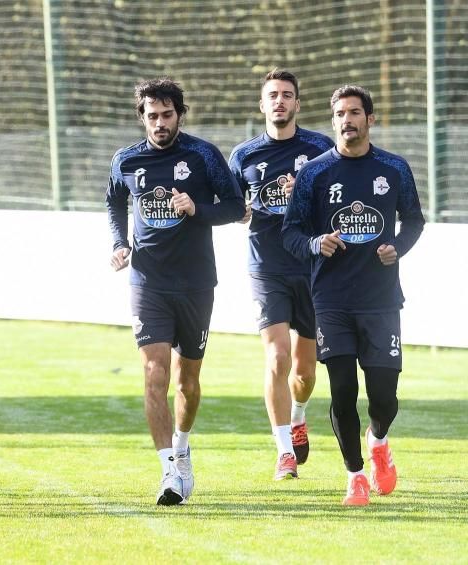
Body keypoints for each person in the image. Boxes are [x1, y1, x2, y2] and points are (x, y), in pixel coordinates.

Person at [283, 85, 424, 506]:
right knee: (342, 390)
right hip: (331, 299)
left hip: (381, 300)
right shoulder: (314, 173)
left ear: (370, 119)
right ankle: (355, 475)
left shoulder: (394, 168)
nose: (347, 120)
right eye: (340, 113)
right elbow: (291, 232)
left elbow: (414, 221)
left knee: (384, 397)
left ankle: (378, 440)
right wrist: (315, 244)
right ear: (333, 121)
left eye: (355, 112)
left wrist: (397, 246)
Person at [105, 78, 244, 506]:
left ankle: (183, 448)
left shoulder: (202, 155)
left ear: (179, 114)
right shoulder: (125, 160)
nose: (160, 123)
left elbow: (237, 207)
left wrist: (197, 209)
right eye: (152, 116)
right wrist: (118, 243)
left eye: (167, 115)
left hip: (197, 282)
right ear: (142, 117)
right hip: (148, 282)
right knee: (154, 375)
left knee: (188, 381)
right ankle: (168, 472)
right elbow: (113, 202)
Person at [229, 69, 333, 480]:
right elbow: (232, 207)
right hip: (266, 267)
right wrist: (242, 212)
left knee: (305, 373)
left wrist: (302, 197)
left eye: (287, 95)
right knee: (277, 357)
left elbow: (335, 204)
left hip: (311, 267)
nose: (279, 101)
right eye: (272, 95)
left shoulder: (320, 148)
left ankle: (300, 413)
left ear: (297, 104)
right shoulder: (243, 155)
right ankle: (284, 451)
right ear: (262, 104)